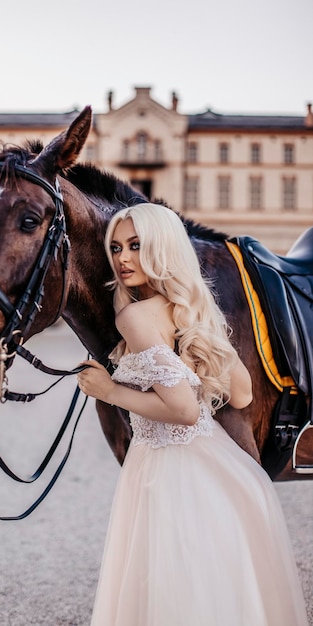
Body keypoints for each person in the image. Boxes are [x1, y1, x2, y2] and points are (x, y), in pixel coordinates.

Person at [77, 203, 308, 626]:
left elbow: (182, 410)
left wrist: (109, 390)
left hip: (166, 469)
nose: (122, 258)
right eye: (115, 248)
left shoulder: (132, 316)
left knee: (167, 585)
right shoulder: (193, 309)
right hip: (219, 464)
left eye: (135, 245)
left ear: (162, 247)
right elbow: (241, 394)